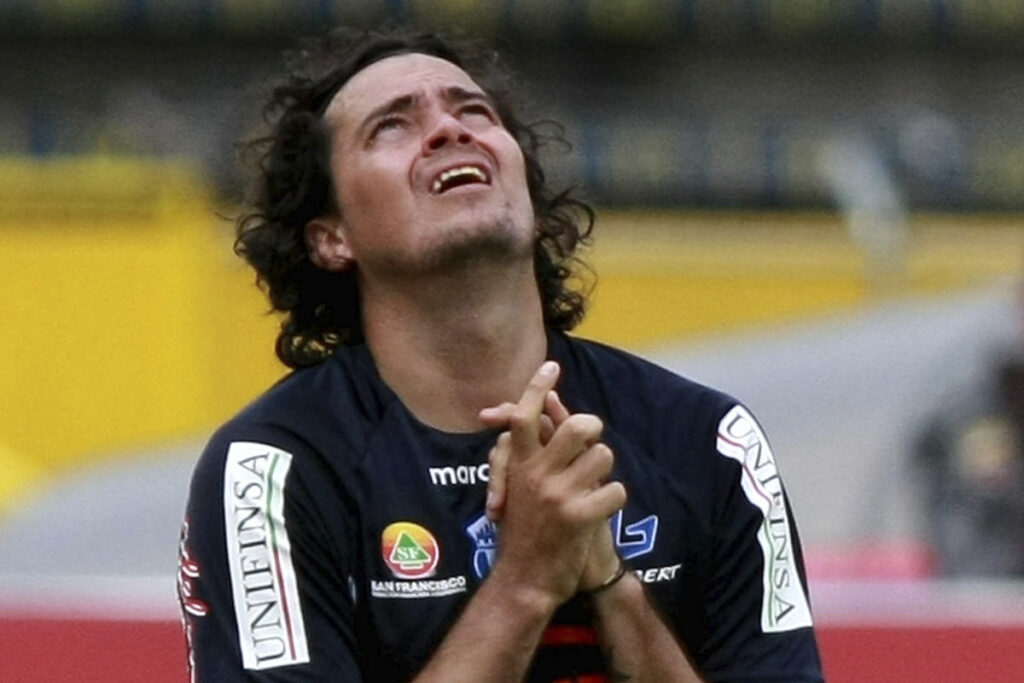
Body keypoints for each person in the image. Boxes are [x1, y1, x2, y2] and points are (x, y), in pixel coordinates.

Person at [177, 27, 824, 682]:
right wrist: (525, 580)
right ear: (331, 237)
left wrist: (611, 584)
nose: (448, 130)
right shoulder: (274, 471)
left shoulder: (709, 441)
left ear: (531, 199)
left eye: (473, 111)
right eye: (392, 127)